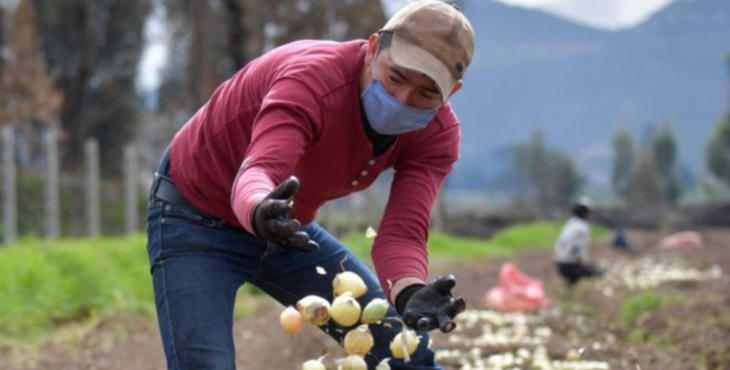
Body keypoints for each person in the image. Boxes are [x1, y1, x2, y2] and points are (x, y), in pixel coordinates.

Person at [145, 1, 475, 369]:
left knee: (408, 354)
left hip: (287, 230)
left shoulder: (437, 135)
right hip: (195, 215)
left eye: (426, 93)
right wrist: (259, 207)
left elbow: (402, 233)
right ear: (371, 49)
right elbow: (260, 170)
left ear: (453, 91)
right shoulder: (311, 80)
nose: (402, 100)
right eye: (395, 78)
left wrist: (410, 291)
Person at [553, 197, 604, 286]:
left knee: (585, 266)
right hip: (568, 265)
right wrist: (587, 265)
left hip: (559, 262)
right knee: (597, 271)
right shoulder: (582, 227)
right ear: (585, 213)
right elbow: (580, 249)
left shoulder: (571, 223)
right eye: (590, 212)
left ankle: (571, 286)